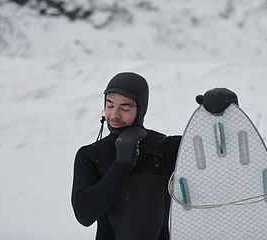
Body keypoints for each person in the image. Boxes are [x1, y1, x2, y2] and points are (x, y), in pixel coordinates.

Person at [71, 72, 238, 240]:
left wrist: (225, 116)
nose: (114, 115)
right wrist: (121, 164)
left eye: (125, 108)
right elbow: (84, 215)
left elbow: (221, 152)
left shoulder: (166, 148)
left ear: (141, 109)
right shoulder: (90, 155)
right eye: (109, 105)